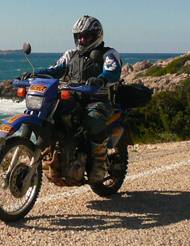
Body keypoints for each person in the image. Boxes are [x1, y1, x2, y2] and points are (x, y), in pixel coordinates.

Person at [22, 15, 123, 183]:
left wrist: (101, 79)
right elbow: (55, 69)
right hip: (73, 97)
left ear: (97, 35)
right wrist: (35, 73)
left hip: (97, 99)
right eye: (79, 36)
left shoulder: (108, 54)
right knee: (52, 116)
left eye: (86, 36)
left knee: (93, 120)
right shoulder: (71, 54)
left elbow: (113, 70)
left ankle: (99, 163)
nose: (82, 40)